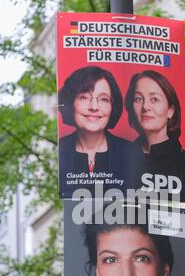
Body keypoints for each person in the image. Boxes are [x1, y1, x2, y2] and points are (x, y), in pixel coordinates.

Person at [58, 66, 142, 197]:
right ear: (70, 103)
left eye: (104, 99)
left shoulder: (134, 152)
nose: (94, 107)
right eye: (84, 97)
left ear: (112, 106)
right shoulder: (58, 150)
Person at [125, 70, 185, 202]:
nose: (145, 107)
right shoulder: (120, 156)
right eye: (138, 99)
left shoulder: (184, 163)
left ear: (170, 110)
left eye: (154, 99)